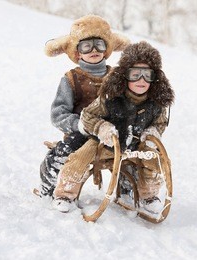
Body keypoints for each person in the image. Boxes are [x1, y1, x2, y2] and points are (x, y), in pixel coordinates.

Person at [52, 41, 175, 213]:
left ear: (155, 77)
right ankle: (65, 194)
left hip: (137, 142)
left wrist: (153, 132)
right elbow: (88, 115)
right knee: (81, 157)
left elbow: (160, 122)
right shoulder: (111, 95)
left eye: (147, 75)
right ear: (125, 75)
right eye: (135, 75)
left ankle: (148, 195)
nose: (141, 80)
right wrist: (102, 127)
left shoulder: (157, 101)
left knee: (155, 159)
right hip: (106, 142)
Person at [38, 14, 130, 198]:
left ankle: (129, 188)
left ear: (106, 49)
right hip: (81, 132)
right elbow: (58, 114)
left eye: (99, 44)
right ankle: (49, 186)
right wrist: (79, 125)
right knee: (63, 153)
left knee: (132, 151)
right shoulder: (71, 79)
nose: (93, 49)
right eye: (86, 46)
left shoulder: (117, 76)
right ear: (77, 52)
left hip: (112, 132)